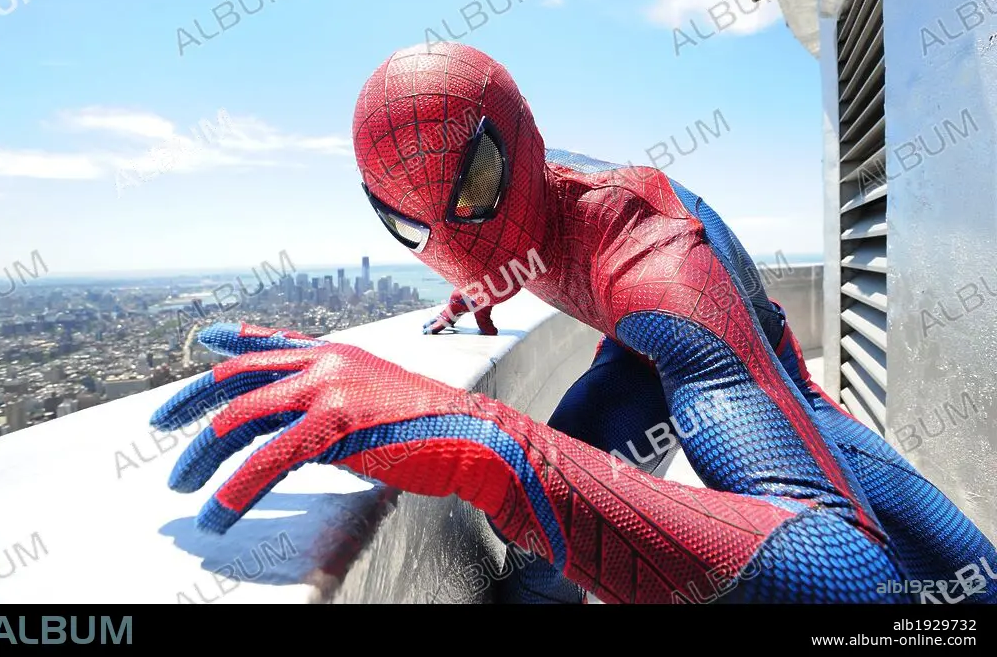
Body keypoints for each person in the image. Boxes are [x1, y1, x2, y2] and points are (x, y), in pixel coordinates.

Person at [150, 42, 996, 604]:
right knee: (545, 544)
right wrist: (472, 297)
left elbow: (856, 582)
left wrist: (481, 435)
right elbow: (494, 239)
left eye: (471, 191)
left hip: (720, 362)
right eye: (411, 226)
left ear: (520, 144)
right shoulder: (517, 215)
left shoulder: (661, 262)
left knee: (949, 586)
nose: (447, 240)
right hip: (636, 353)